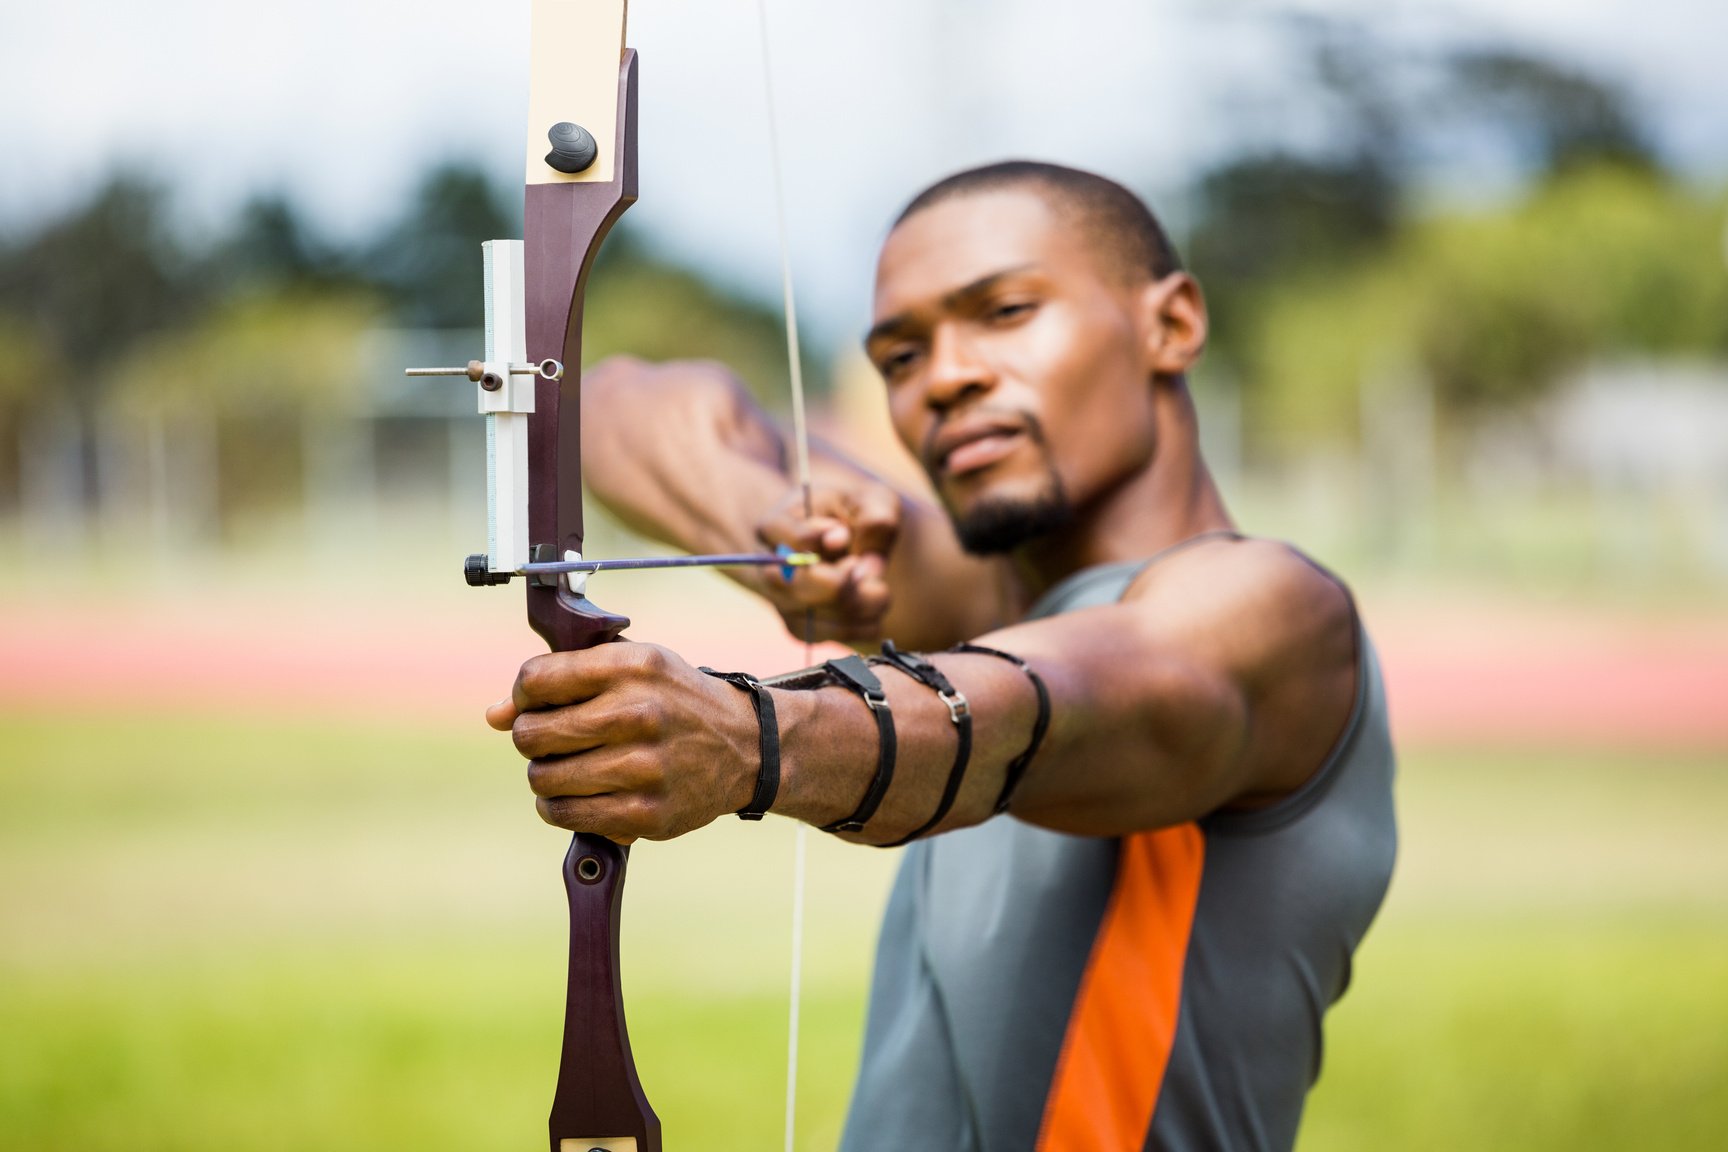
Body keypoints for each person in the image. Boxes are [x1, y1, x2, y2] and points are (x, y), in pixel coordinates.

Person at [486, 161, 1397, 1152]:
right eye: (901, 355)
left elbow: (1048, 701)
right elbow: (607, 402)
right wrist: (767, 522)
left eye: (1004, 310)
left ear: (1169, 323)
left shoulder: (1272, 612)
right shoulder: (977, 597)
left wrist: (749, 734)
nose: (945, 377)